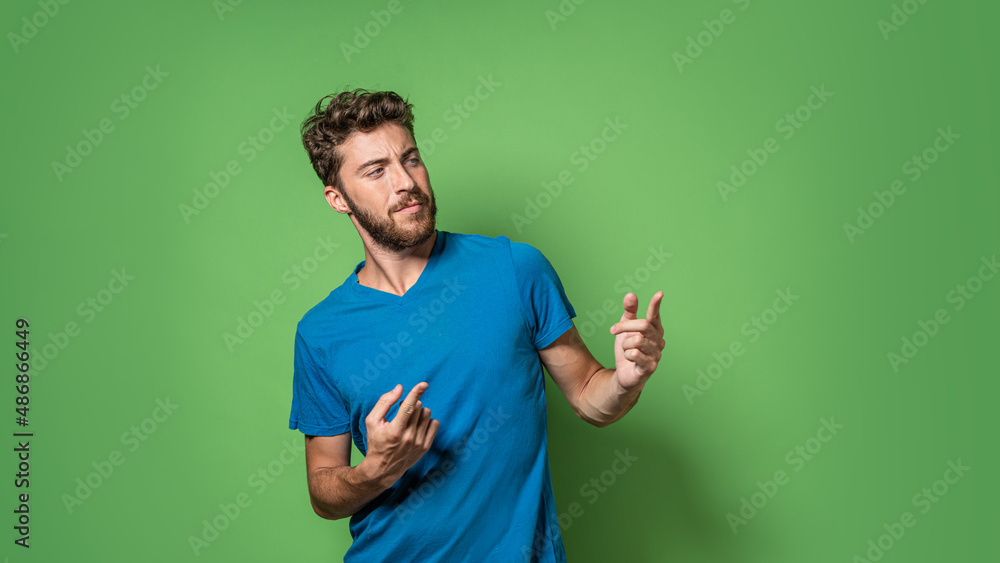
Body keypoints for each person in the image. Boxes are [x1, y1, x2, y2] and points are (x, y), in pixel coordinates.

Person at [288, 88, 665, 561]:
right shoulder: (321, 333)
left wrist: (627, 381)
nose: (405, 182)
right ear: (338, 198)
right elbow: (323, 490)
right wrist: (375, 471)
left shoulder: (513, 269)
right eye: (376, 171)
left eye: (411, 159)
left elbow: (592, 396)